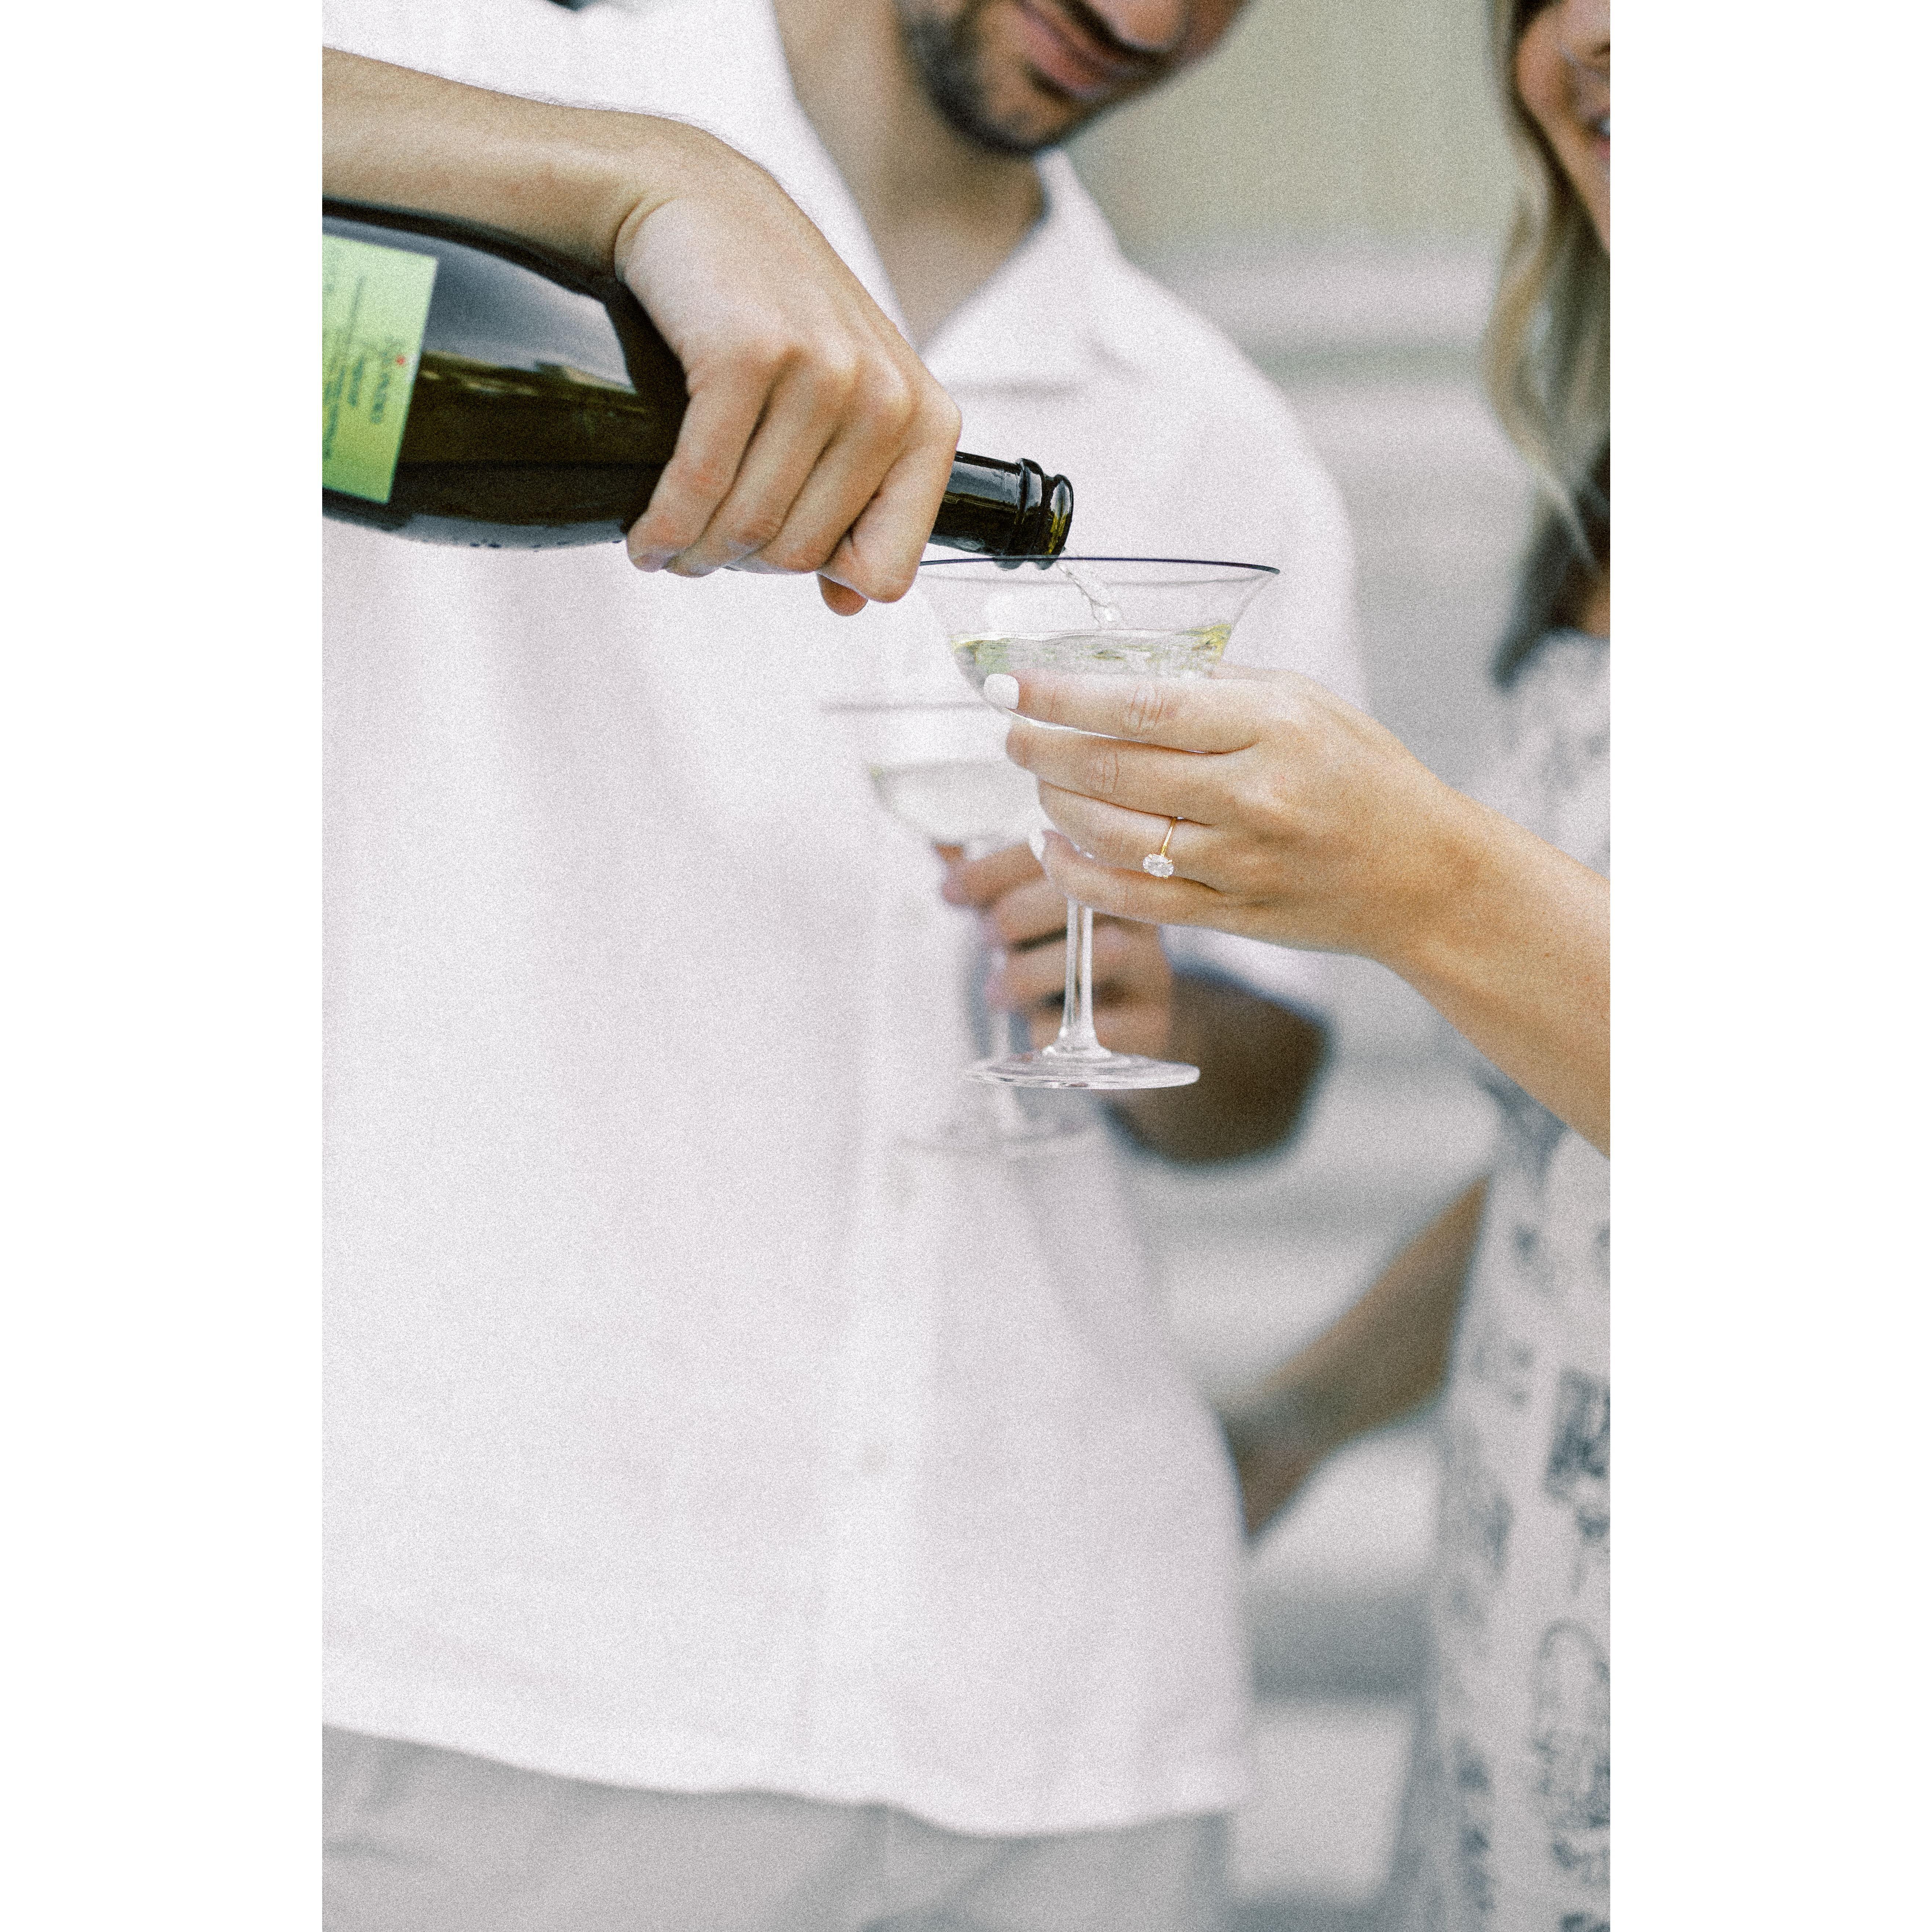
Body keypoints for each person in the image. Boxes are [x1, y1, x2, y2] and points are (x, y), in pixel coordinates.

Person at [320, 1, 1364, 1926]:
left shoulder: (1219, 432)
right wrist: (653, 182)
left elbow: (1267, 1074)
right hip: (500, 1665)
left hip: (1064, 1721)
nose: (1150, 20)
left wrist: (1152, 995)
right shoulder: (483, 106)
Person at [993, 0, 1611, 1923]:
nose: (1603, 36)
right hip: (1531, 1642)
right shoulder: (1609, 495)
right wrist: (1302, 1412)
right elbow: (1577, 1152)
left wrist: (1419, 880)